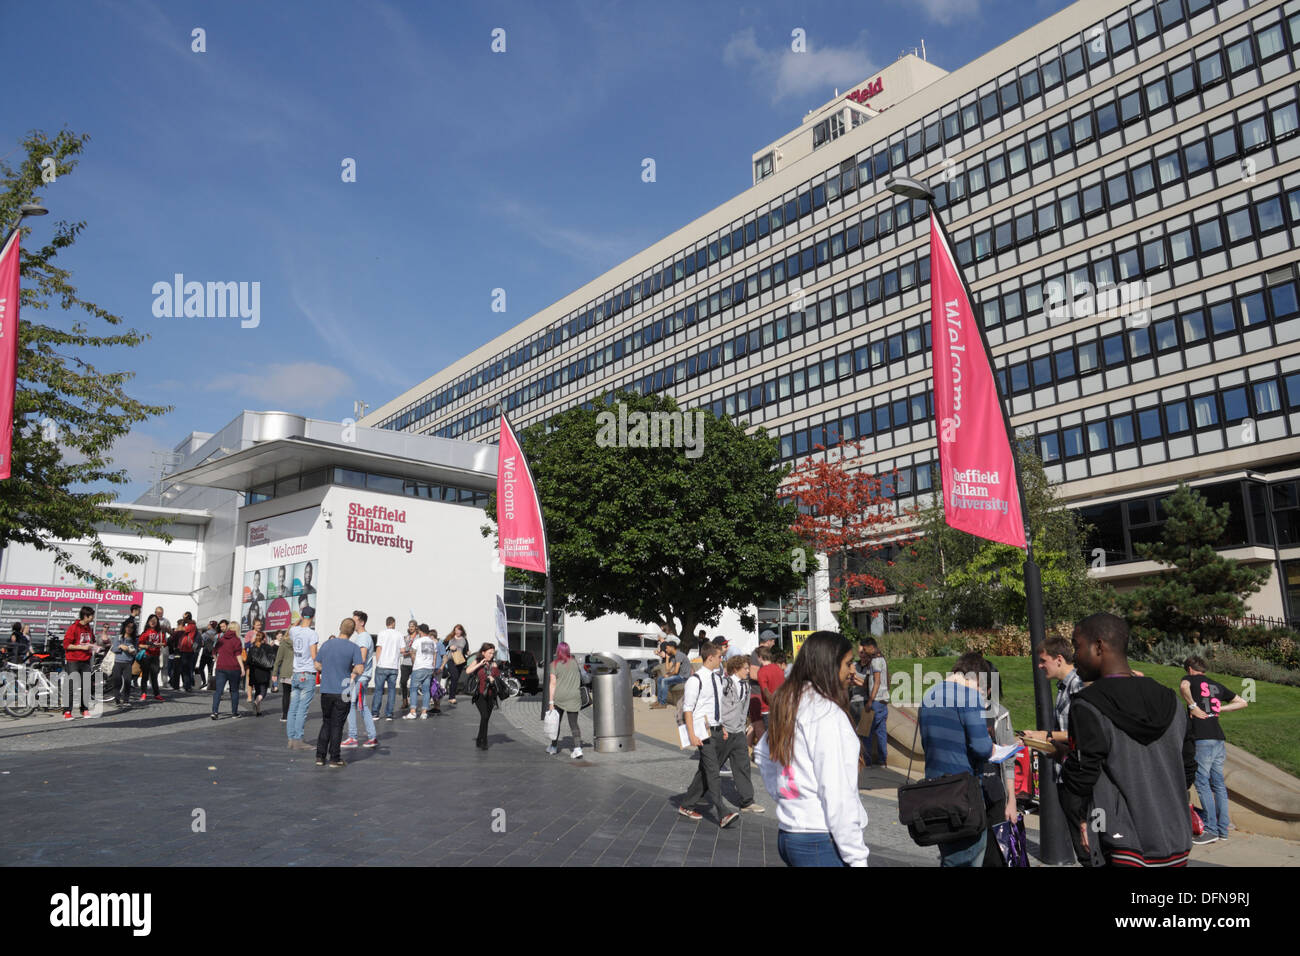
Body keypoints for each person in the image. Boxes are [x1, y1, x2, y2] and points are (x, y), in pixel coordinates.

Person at [1061, 613, 1197, 868]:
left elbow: (1082, 776)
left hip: (1122, 844)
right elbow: (1187, 768)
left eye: (1077, 646)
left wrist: (1082, 819)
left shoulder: (1087, 705)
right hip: (1176, 840)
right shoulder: (1172, 701)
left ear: (1099, 646)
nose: (1074, 656)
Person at [756, 630, 868, 866]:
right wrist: (857, 859)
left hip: (791, 833)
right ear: (829, 665)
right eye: (848, 664)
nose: (852, 670)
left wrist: (788, 796)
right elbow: (837, 792)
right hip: (819, 837)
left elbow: (763, 753)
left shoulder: (792, 702)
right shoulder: (826, 713)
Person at [917, 652, 994, 866]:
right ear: (976, 678)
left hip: (935, 789)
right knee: (968, 854)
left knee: (950, 853)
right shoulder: (970, 697)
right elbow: (982, 748)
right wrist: (993, 747)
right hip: (963, 792)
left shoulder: (930, 694)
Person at [1180, 656, 1248, 845]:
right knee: (1218, 783)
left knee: (1202, 783)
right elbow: (1243, 702)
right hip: (1218, 738)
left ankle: (1211, 829)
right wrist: (1220, 709)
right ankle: (1223, 828)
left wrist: (1193, 706)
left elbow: (1184, 687)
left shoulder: (1190, 679)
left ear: (1190, 669)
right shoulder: (1216, 685)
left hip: (1202, 738)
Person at [674, 640, 739, 828]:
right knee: (713, 772)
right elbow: (688, 709)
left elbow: (715, 707)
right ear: (710, 657)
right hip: (703, 733)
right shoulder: (696, 680)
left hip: (717, 730)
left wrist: (723, 727)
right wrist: (692, 734)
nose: (722, 659)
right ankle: (722, 812)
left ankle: (686, 805)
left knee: (705, 770)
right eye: (720, 657)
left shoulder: (718, 679)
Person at [315, 619, 365, 768]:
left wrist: (327, 670)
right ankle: (334, 758)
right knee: (337, 725)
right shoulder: (354, 647)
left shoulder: (327, 644)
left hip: (326, 689)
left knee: (326, 722)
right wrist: (350, 670)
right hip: (344, 689)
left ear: (340, 628)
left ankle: (320, 756)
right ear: (352, 631)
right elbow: (360, 669)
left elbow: (316, 664)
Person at [718, 655, 763, 813]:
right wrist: (719, 725)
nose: (748, 671)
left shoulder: (746, 686)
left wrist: (742, 726)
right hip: (723, 731)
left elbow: (744, 708)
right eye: (745, 668)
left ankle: (747, 801)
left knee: (743, 765)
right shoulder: (724, 684)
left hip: (738, 732)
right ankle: (693, 799)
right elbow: (716, 705)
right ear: (736, 669)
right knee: (711, 767)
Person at [343, 610, 380, 748]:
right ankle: (369, 736)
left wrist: (352, 675)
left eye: (355, 621)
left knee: (354, 705)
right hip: (360, 676)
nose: (352, 623)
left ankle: (355, 736)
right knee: (358, 705)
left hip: (360, 677)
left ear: (362, 622)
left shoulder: (363, 637)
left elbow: (362, 659)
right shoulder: (361, 637)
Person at [286, 612, 320, 750]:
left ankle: (291, 739)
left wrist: (298, 620)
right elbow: (314, 655)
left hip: (296, 673)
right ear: (312, 617)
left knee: (293, 708)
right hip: (307, 673)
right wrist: (320, 668)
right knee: (302, 709)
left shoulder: (295, 631)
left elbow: (290, 630)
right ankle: (298, 739)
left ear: (302, 616)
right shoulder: (312, 634)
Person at [545, 641, 584, 758]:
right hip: (574, 697)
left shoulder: (554, 664)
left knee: (556, 723)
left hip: (559, 697)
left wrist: (551, 702)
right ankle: (577, 749)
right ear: (568, 651)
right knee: (574, 724)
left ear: (558, 651)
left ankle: (553, 747)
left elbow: (552, 683)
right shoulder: (574, 663)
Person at [61, 606, 98, 720]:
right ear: (86, 616)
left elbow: (92, 641)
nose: (93, 618)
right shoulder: (74, 627)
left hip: (86, 660)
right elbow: (66, 645)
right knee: (71, 686)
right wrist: (82, 647)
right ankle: (67, 711)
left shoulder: (89, 628)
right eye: (92, 616)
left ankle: (84, 709)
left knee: (86, 686)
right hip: (73, 660)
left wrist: (94, 646)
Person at [465, 642, 502, 750]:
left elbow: (498, 677)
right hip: (480, 694)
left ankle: (479, 738)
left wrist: (493, 678)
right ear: (483, 652)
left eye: (493, 653)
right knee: (485, 716)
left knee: (485, 719)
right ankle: (484, 741)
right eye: (489, 653)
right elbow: (468, 671)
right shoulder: (477, 661)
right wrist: (480, 664)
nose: (491, 655)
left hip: (491, 694)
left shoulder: (494, 664)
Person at [210, 621, 246, 720]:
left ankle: (215, 712)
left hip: (221, 668)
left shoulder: (221, 639)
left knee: (218, 691)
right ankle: (234, 713)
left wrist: (218, 660)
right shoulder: (237, 640)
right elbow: (238, 655)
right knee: (234, 691)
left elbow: (213, 651)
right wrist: (242, 668)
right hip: (233, 668)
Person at [370, 615, 402, 721]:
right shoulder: (399, 635)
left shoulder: (382, 633)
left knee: (378, 690)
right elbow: (402, 650)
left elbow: (379, 648)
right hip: (393, 666)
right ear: (393, 623)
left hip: (382, 665)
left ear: (386, 623)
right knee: (392, 691)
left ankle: (375, 713)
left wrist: (379, 662)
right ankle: (389, 714)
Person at [406, 625, 439, 720]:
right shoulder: (432, 642)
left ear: (420, 631)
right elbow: (435, 655)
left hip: (419, 667)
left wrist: (414, 663)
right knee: (426, 690)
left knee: (413, 689)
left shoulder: (417, 641)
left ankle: (413, 712)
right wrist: (433, 666)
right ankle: (424, 712)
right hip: (429, 668)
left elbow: (412, 653)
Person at [650, 639, 691, 709]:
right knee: (660, 679)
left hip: (684, 677)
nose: (666, 650)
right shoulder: (674, 656)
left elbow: (675, 671)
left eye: (667, 648)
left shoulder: (679, 655)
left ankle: (663, 703)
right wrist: (667, 658)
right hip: (679, 676)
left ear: (672, 647)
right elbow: (668, 668)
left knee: (664, 680)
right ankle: (659, 701)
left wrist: (669, 675)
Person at [108, 619, 139, 708]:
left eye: (132, 628)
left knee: (127, 682)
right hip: (118, 662)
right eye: (128, 627)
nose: (129, 629)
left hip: (128, 663)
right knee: (117, 681)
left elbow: (135, 652)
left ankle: (126, 700)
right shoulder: (119, 637)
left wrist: (132, 651)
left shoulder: (134, 639)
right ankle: (117, 700)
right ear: (125, 627)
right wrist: (120, 647)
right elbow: (113, 649)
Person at [244, 627, 274, 716]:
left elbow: (248, 661)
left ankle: (257, 711)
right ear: (264, 638)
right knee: (263, 693)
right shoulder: (268, 647)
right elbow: (272, 660)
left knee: (257, 691)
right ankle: (256, 702)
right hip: (264, 672)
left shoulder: (252, 648)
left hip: (254, 672)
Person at [754, 645, 784, 731]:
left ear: (760, 657)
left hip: (769, 709)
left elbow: (765, 691)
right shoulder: (778, 668)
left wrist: (773, 705)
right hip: (781, 706)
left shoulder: (762, 672)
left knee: (771, 738)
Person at [138, 614, 166, 702]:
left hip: (155, 656)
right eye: (151, 620)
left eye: (155, 620)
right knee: (145, 676)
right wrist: (146, 646)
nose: (153, 622)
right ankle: (143, 693)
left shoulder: (160, 633)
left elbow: (164, 643)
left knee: (154, 676)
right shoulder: (145, 632)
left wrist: (158, 644)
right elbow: (139, 644)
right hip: (146, 656)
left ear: (157, 622)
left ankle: (157, 694)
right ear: (148, 622)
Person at [272, 627, 295, 722]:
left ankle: (285, 715)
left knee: (286, 694)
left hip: (286, 671)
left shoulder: (284, 643)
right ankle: (294, 714)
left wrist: (274, 673)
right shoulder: (300, 642)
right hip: (297, 671)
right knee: (296, 694)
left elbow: (278, 659)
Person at [443, 624, 469, 705]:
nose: (457, 631)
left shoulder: (464, 640)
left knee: (455, 678)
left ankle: (451, 695)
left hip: (460, 661)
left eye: (459, 630)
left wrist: (468, 652)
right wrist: (449, 648)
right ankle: (452, 697)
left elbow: (466, 650)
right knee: (454, 676)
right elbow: (443, 647)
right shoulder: (450, 638)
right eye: (456, 630)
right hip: (451, 660)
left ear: (462, 631)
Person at [176, 613, 198, 691]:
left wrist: (181, 624)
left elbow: (179, 629)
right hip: (185, 649)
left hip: (187, 649)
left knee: (185, 669)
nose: (183, 619)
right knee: (185, 669)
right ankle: (187, 685)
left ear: (187, 618)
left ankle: (187, 686)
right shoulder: (191, 625)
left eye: (184, 617)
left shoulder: (191, 625)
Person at [399, 619, 417, 711]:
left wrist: (412, 652)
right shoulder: (405, 637)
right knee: (403, 682)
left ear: (416, 627)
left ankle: (412, 701)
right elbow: (401, 650)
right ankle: (404, 701)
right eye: (410, 626)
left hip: (415, 663)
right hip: (405, 663)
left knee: (414, 683)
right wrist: (407, 652)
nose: (411, 628)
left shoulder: (418, 638)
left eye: (412, 626)